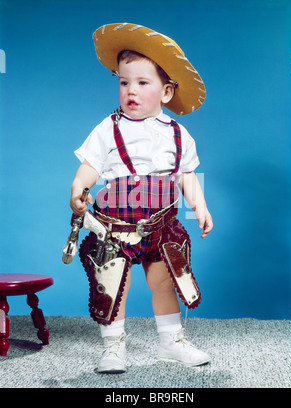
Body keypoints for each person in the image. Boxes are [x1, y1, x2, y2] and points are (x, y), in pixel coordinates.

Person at [69, 23, 213, 374]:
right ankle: (113, 346)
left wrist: (200, 206)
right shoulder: (109, 127)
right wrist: (78, 189)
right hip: (115, 228)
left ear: (166, 92)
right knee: (113, 283)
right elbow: (91, 164)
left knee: (164, 281)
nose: (130, 90)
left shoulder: (178, 134)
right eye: (124, 82)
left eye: (142, 83)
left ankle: (171, 341)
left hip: (161, 227)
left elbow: (187, 175)